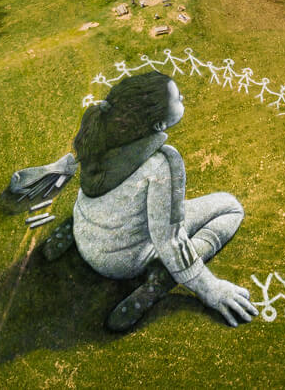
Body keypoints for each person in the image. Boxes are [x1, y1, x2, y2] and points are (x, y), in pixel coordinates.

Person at [14, 71, 256, 332]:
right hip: (121, 262)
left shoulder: (100, 128)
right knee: (231, 207)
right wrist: (210, 289)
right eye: (177, 98)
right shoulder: (164, 162)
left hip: (85, 236)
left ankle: (68, 234)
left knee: (116, 201)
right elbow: (170, 241)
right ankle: (161, 279)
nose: (183, 97)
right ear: (158, 125)